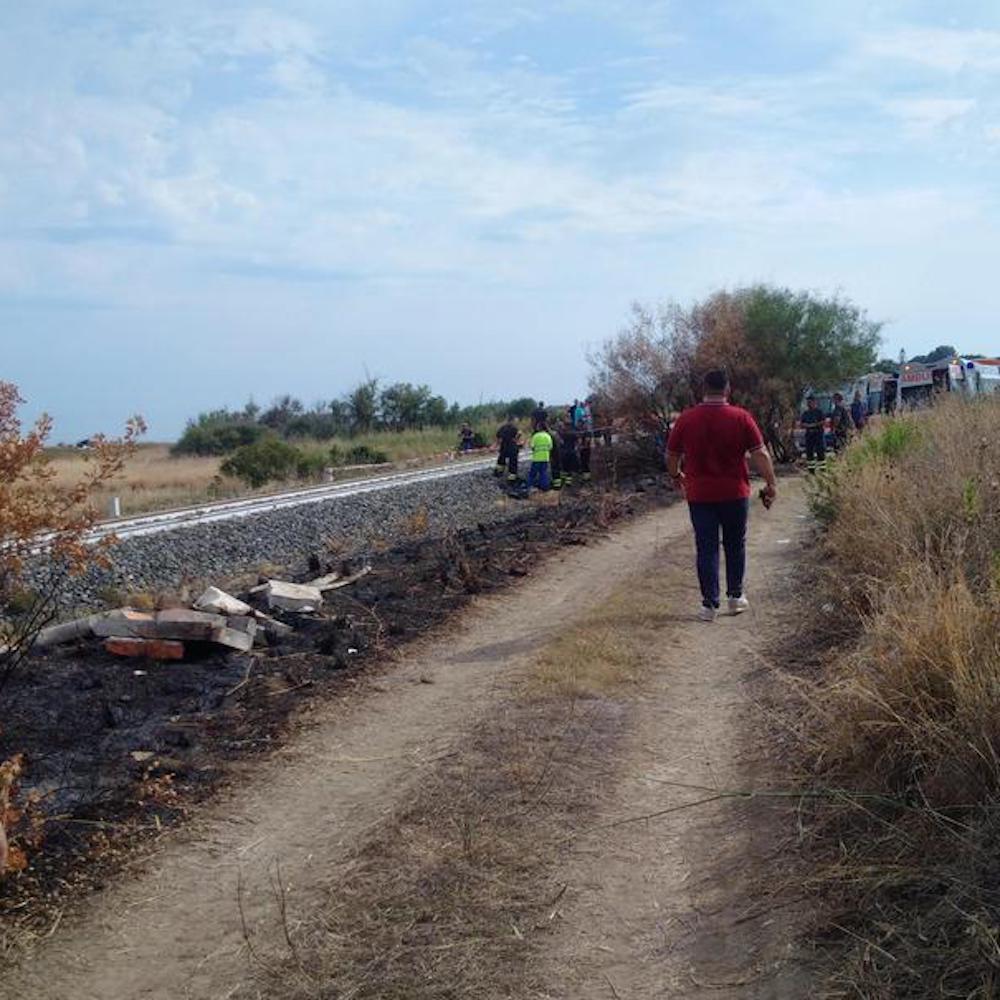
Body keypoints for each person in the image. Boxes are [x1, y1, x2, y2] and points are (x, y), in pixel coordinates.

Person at [666, 369, 777, 622]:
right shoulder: (741, 417)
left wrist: (676, 476)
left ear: (702, 389)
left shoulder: (686, 419)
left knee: (706, 547)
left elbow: (672, 455)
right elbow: (760, 454)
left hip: (700, 494)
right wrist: (771, 483)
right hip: (734, 492)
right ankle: (735, 596)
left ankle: (708, 605)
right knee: (735, 543)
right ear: (728, 389)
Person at [799, 395, 826, 472]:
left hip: (818, 435)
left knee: (820, 453)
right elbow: (802, 423)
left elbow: (823, 421)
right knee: (809, 453)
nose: (809, 404)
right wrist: (808, 426)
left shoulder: (819, 412)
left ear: (814, 402)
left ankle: (822, 470)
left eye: (810, 402)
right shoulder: (806, 413)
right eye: (808, 402)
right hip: (809, 435)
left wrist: (815, 425)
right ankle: (811, 470)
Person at [528, 422, 554, 492]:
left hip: (536, 458)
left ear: (539, 427)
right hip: (545, 458)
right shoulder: (548, 436)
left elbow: (532, 447)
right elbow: (550, 447)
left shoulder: (535, 436)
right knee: (543, 473)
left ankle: (530, 487)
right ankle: (544, 488)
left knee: (532, 474)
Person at [495, 415, 520, 480]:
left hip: (503, 446)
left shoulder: (502, 428)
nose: (516, 422)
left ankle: (499, 472)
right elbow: (517, 437)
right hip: (512, 447)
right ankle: (512, 477)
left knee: (501, 460)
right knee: (513, 462)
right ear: (512, 421)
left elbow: (498, 436)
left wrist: (497, 444)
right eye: (515, 421)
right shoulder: (514, 428)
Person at [559, 419, 579, 485]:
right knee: (569, 469)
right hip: (571, 452)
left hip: (564, 453)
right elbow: (577, 442)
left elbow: (560, 442)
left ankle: (564, 480)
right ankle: (568, 482)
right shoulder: (573, 433)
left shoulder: (562, 433)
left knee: (564, 468)